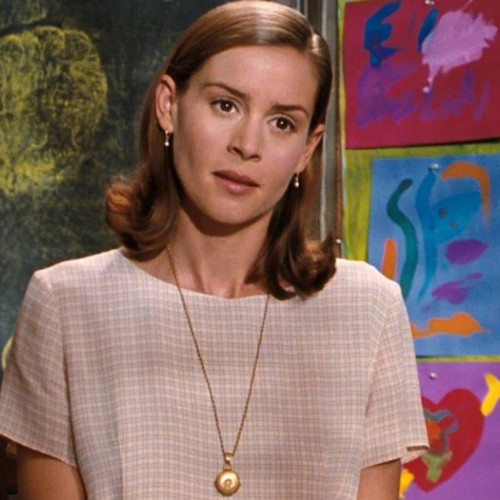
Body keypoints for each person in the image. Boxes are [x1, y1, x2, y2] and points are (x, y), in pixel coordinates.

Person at [0, 1, 428, 499]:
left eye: (282, 123)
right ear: (169, 106)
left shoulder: (367, 309)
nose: (247, 144)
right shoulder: (65, 305)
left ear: (307, 149)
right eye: (226, 105)